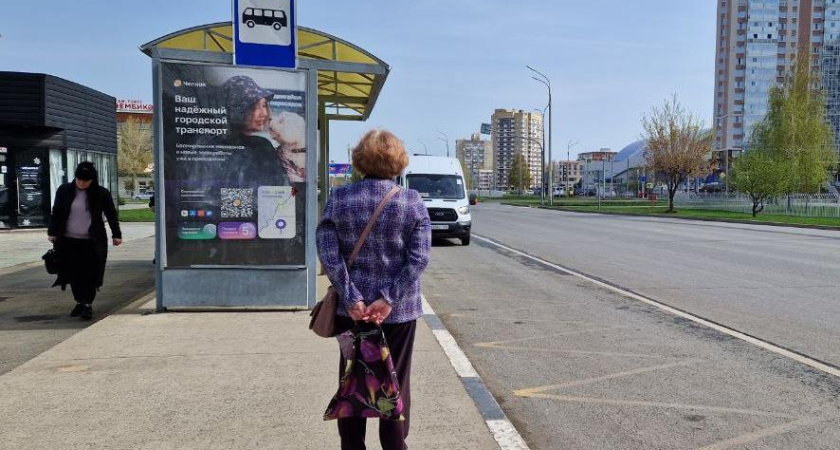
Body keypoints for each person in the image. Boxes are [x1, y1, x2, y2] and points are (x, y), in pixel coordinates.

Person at [316, 130, 431, 450]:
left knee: (353, 379)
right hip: (399, 314)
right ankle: (395, 446)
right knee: (395, 382)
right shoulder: (411, 202)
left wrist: (352, 296)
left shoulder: (340, 199)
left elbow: (328, 253)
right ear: (399, 162)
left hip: (352, 313)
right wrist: (389, 298)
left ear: (358, 161)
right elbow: (419, 258)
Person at [47, 162, 122, 320]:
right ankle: (80, 301)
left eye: (85, 181)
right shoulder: (64, 190)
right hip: (68, 241)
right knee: (73, 273)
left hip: (92, 242)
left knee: (90, 273)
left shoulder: (101, 193)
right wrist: (52, 232)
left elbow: (111, 214)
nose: (81, 183)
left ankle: (87, 304)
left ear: (92, 180)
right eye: (79, 179)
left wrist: (116, 234)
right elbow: (57, 212)